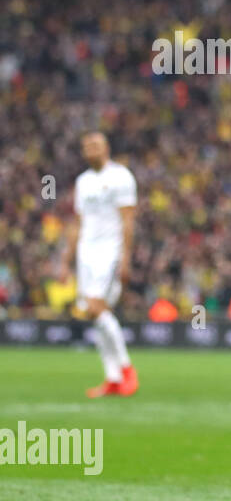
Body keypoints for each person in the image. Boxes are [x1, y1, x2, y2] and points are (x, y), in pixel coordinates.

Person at [60, 132, 139, 398]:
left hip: (109, 250)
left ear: (106, 148)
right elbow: (77, 222)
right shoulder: (83, 182)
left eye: (95, 144)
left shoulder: (121, 177)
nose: (90, 149)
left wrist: (126, 258)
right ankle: (113, 378)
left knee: (96, 307)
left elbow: (128, 220)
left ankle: (127, 370)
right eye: (85, 146)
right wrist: (66, 259)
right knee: (93, 314)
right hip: (86, 253)